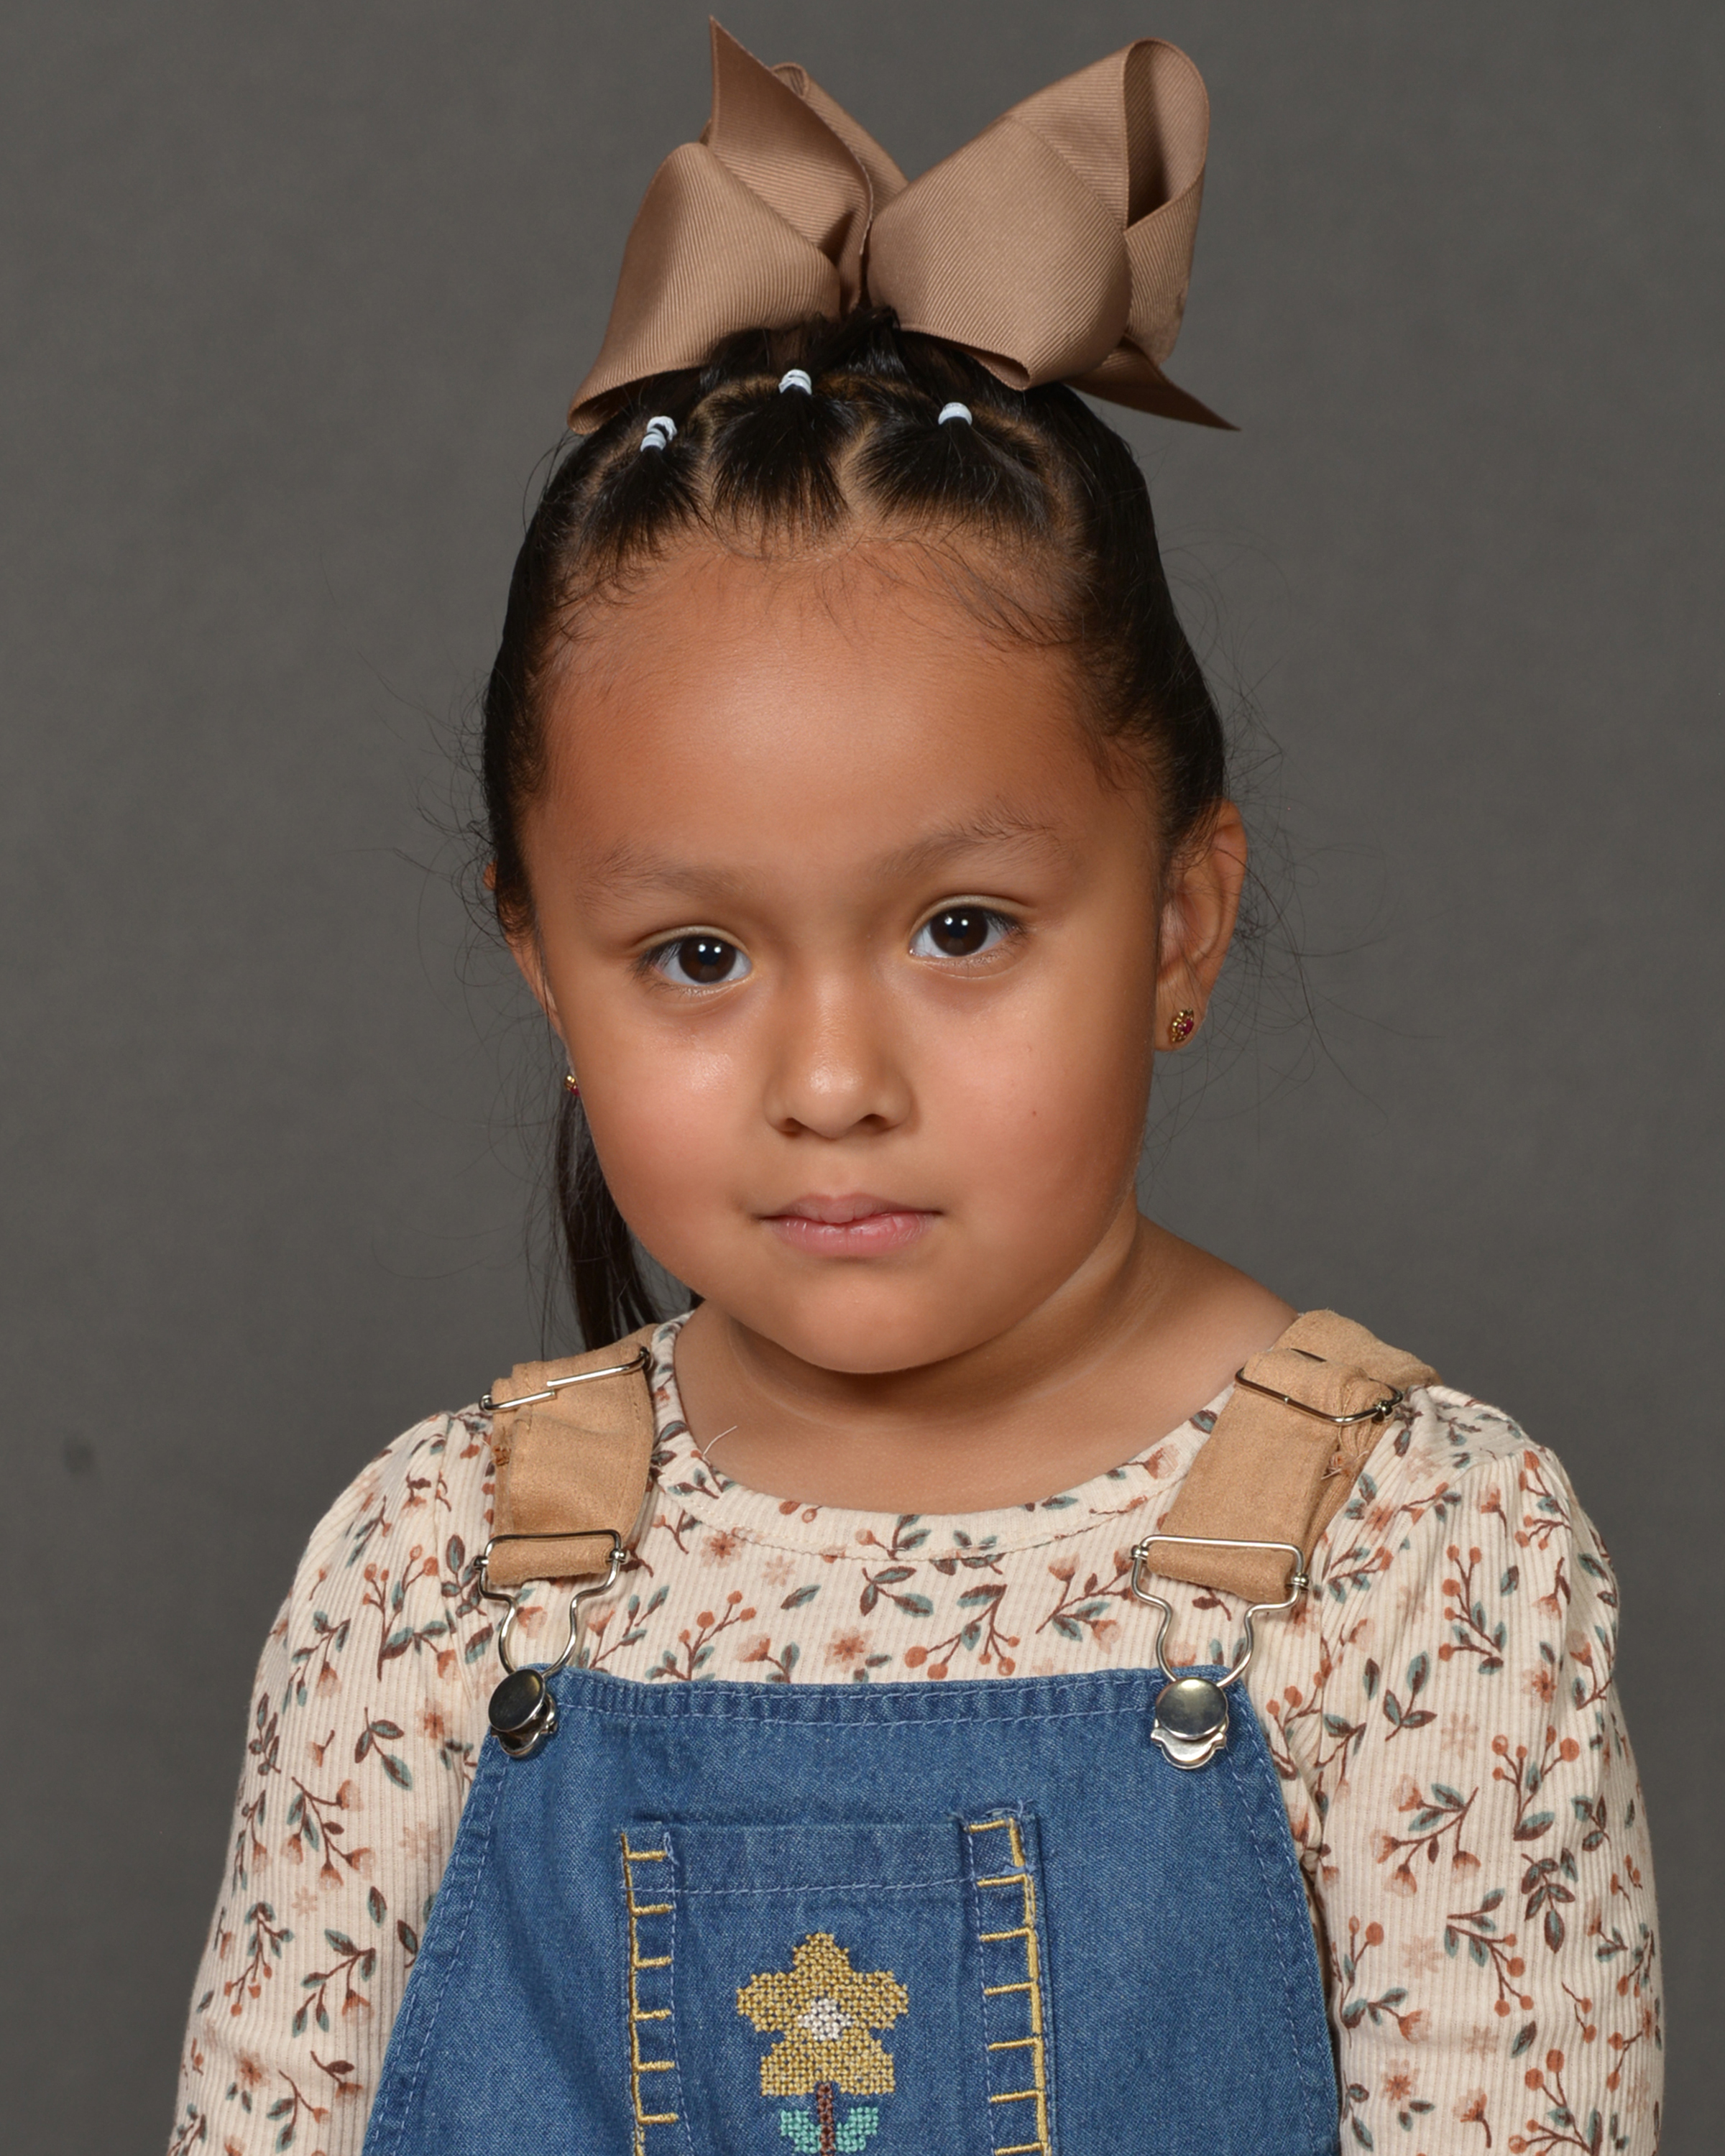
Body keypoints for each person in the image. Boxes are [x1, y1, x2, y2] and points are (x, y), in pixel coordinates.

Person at [170, 24, 1660, 2156]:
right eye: (697, 957)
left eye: (961, 928)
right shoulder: (436, 1573)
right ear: (544, 967)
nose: (834, 1081)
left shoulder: (1418, 1562)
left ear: (1180, 920)